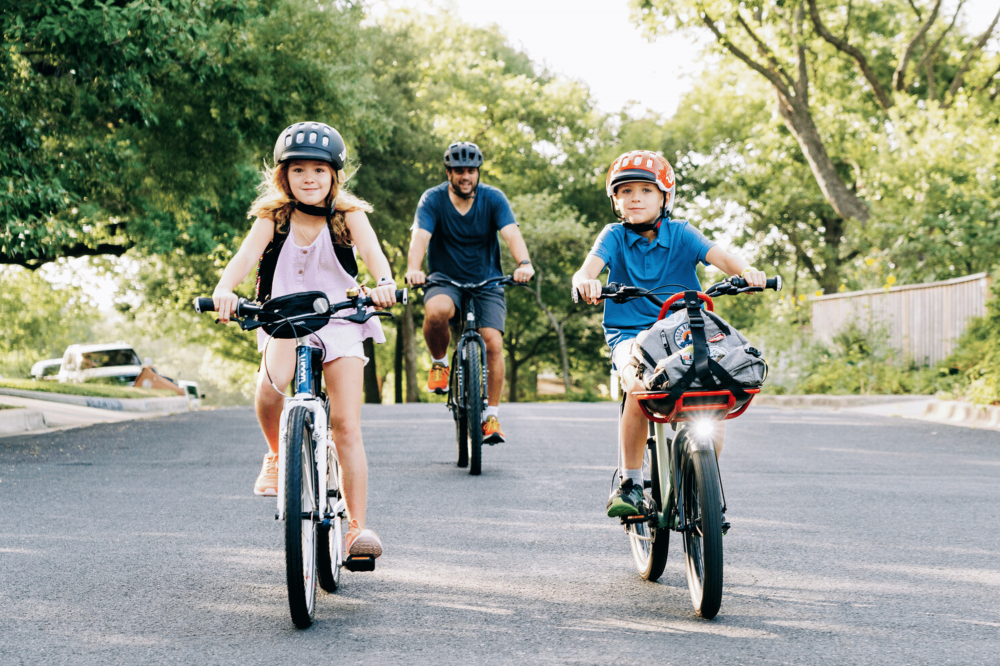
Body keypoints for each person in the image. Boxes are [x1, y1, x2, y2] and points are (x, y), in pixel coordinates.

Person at [211, 121, 396, 559]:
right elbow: (245, 257)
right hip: (286, 317)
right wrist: (224, 290)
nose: (309, 178)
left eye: (318, 170)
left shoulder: (347, 215)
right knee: (271, 389)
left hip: (342, 317)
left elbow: (371, 253)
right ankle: (277, 454)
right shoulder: (272, 217)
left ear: (334, 175)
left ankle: (356, 529)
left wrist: (384, 281)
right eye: (298, 171)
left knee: (347, 424)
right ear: (283, 176)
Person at [571, 150, 767, 519]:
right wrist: (586, 283)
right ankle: (629, 481)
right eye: (625, 191)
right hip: (629, 331)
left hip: (683, 330)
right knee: (638, 381)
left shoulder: (682, 233)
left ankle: (700, 487)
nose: (635, 198)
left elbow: (722, 258)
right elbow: (586, 271)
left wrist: (749, 271)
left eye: (646, 190)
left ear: (665, 196)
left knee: (712, 397)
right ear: (615, 200)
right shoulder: (613, 236)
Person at [405, 141, 534, 443]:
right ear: (448, 172)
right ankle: (439, 363)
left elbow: (511, 232)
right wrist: (414, 267)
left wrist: (524, 263)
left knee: (492, 342)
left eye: (471, 171)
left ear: (478, 172)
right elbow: (420, 236)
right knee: (436, 311)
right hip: (444, 279)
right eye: (459, 170)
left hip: (487, 282)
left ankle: (491, 416)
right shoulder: (433, 200)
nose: (466, 176)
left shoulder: (493, 198)